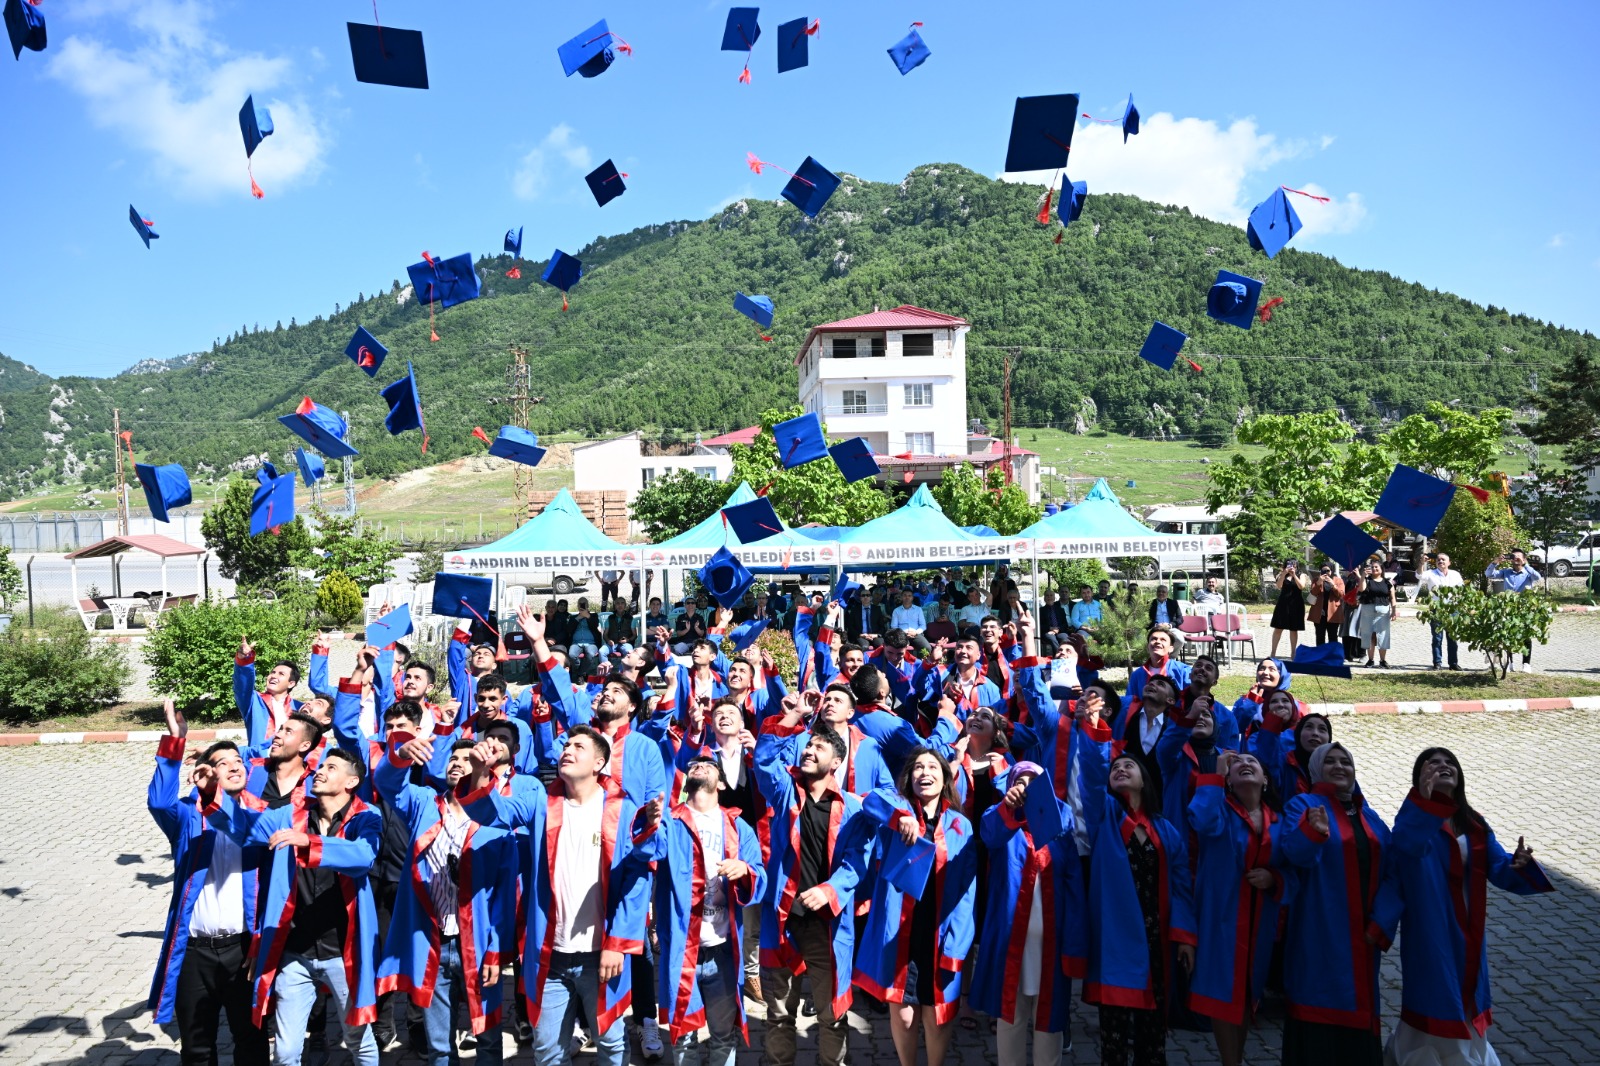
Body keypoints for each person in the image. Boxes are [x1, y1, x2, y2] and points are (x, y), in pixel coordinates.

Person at [459, 726, 655, 1066]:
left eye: (578, 746)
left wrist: (618, 943)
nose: (567, 749)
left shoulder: (622, 809)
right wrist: (480, 772)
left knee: (611, 1045)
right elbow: (492, 813)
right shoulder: (541, 801)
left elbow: (636, 881)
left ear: (598, 762)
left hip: (601, 955)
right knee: (547, 1051)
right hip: (549, 955)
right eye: (566, 744)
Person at [198, 747, 383, 1066]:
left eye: (331, 767)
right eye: (320, 765)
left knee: (358, 1041)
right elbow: (245, 828)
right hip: (294, 953)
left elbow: (363, 856)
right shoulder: (292, 815)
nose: (320, 770)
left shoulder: (367, 817)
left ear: (351, 782)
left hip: (344, 954)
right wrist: (211, 792)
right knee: (285, 1053)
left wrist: (309, 843)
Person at [1372, 748, 1553, 1066]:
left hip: (1470, 929)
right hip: (1430, 927)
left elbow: (1497, 866)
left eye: (1449, 762)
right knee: (1434, 995)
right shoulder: (1414, 817)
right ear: (1421, 777)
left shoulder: (1473, 823)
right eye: (1434, 763)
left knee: (1468, 995)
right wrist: (1423, 801)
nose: (1443, 766)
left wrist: (1518, 865)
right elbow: (1405, 848)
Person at [377, 736, 517, 1066]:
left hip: (480, 946)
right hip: (433, 942)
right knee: (439, 1045)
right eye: (452, 757)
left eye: (467, 759)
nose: (456, 762)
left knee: (487, 1040)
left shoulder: (496, 816)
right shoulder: (424, 801)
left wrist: (497, 949)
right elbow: (386, 783)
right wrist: (399, 756)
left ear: (484, 767)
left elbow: (504, 894)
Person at [147, 700, 269, 1066]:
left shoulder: (261, 816)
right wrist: (175, 740)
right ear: (207, 773)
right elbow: (158, 802)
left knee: (249, 1040)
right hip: (195, 951)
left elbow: (253, 835)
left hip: (243, 949)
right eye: (222, 763)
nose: (233, 766)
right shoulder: (188, 817)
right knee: (197, 1045)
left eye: (238, 762)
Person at [753, 716, 870, 1066]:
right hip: (783, 921)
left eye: (819, 746)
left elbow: (857, 862)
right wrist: (790, 719)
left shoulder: (852, 807)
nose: (809, 750)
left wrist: (830, 890)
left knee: (832, 1013)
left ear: (837, 761)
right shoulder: (785, 790)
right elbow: (763, 761)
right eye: (808, 744)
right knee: (778, 1014)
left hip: (826, 925)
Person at [1079, 730, 1197, 1066]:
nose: (1120, 769)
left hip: (1156, 943)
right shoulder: (1103, 818)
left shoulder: (1166, 830)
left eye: (1128, 766)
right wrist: (1095, 730)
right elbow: (1090, 772)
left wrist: (1186, 937)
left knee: (1152, 1039)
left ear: (1144, 780)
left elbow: (1181, 887)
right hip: (1115, 943)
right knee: (1114, 1043)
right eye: (1115, 767)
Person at [852, 750, 977, 1066]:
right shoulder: (895, 814)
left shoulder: (960, 825)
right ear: (908, 778)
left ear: (945, 779)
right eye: (918, 767)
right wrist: (900, 817)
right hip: (900, 931)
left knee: (937, 1017)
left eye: (933, 767)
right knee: (904, 1015)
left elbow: (967, 893)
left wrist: (957, 945)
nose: (925, 772)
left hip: (941, 933)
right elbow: (870, 801)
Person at [643, 755, 766, 1066]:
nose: (700, 765)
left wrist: (745, 871)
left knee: (723, 1035)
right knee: (683, 1036)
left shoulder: (738, 827)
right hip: (683, 951)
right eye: (695, 764)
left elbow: (760, 878)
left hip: (724, 951)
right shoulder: (671, 821)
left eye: (710, 765)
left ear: (722, 783)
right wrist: (648, 823)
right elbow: (646, 853)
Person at [1276, 742, 1391, 1066]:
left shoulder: (1369, 816)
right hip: (1319, 935)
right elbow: (1293, 855)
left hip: (1363, 939)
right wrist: (1313, 831)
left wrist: (1382, 921)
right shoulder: (1303, 805)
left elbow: (1394, 872)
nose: (1340, 766)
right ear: (1315, 770)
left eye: (1346, 761)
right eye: (1330, 762)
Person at [970, 756, 1086, 1066]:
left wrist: (1075, 945)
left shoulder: (1061, 831)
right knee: (1011, 1016)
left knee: (1049, 1022)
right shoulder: (1002, 823)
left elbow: (1074, 892)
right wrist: (1008, 807)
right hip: (1012, 945)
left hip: (1051, 943)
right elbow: (990, 833)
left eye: (1033, 782)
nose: (1025, 787)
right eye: (1018, 781)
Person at [1187, 750, 1284, 1066]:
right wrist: (1214, 775)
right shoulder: (1221, 811)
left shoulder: (1279, 820)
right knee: (1222, 996)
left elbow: (1294, 868)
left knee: (1247, 995)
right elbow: (1201, 820)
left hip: (1260, 922)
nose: (1244, 763)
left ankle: (1236, 1059)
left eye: (1253, 761)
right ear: (1228, 780)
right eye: (1237, 763)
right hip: (1222, 919)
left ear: (1265, 779)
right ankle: (1231, 1062)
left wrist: (1274, 879)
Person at [1484, 550, 1544, 671]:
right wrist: (1495, 562)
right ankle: (1509, 663)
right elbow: (1489, 574)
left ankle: (1526, 664)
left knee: (1526, 635)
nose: (1515, 560)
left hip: (1524, 607)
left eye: (1518, 558)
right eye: (1513, 558)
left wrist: (1525, 564)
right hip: (1508, 607)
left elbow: (1537, 577)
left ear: (1524, 559)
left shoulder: (1527, 573)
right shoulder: (1506, 572)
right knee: (1508, 635)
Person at [1415, 552, 1464, 669]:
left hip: (1452, 609)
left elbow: (1462, 590)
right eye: (1438, 560)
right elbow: (1419, 575)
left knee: (1452, 638)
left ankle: (1453, 663)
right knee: (1437, 638)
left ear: (1449, 562)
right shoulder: (1431, 573)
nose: (1440, 561)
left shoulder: (1455, 574)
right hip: (1437, 609)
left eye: (1443, 560)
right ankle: (1437, 663)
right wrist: (1421, 563)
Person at [1355, 559, 1396, 669]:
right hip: (1368, 610)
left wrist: (1394, 611)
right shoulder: (1367, 580)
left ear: (1381, 569)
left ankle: (1382, 660)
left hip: (1383, 611)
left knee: (1383, 635)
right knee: (1369, 635)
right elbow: (1361, 589)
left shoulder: (1387, 582)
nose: (1374, 569)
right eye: (1372, 567)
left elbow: (1392, 597)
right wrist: (1363, 576)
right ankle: (1370, 660)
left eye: (1376, 567)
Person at [1268, 560, 1308, 659]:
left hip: (1296, 604)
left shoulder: (1301, 574)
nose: (1291, 567)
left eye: (1294, 565)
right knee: (1278, 628)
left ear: (1297, 566)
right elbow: (1279, 586)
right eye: (1289, 565)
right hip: (1283, 604)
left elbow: (1301, 586)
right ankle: (1273, 653)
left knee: (1293, 629)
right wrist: (1284, 573)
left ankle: (1293, 653)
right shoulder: (1282, 574)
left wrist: (1294, 575)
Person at [1305, 564, 1346, 648]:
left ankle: (1332, 657)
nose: (1326, 573)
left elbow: (1341, 595)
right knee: (1320, 636)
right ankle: (1320, 656)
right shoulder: (1317, 580)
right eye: (1323, 570)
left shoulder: (1338, 580)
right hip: (1320, 613)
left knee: (1333, 637)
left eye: (1328, 570)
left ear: (1332, 571)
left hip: (1333, 613)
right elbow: (1313, 593)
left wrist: (1333, 585)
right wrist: (1319, 583)